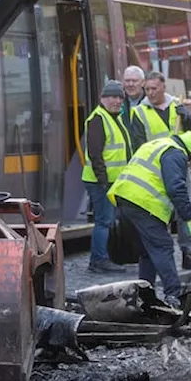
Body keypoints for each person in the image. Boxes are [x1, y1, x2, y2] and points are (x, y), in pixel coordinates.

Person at [108, 131, 191, 308]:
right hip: (144, 203)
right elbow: (176, 187)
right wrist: (189, 218)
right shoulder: (176, 153)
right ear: (190, 153)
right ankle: (173, 295)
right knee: (163, 247)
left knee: (147, 251)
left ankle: (145, 294)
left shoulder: (157, 144)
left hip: (124, 198)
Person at [132, 72, 191, 271]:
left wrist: (190, 119)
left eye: (154, 88)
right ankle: (160, 254)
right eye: (147, 89)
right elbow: (138, 143)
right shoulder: (139, 112)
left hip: (178, 166)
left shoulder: (177, 108)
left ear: (164, 87)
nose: (151, 93)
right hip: (154, 171)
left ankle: (188, 252)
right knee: (158, 212)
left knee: (184, 208)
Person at [81, 80, 130, 273]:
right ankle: (99, 260)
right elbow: (95, 155)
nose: (117, 101)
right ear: (103, 98)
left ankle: (103, 257)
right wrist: (104, 183)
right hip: (101, 181)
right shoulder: (98, 119)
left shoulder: (113, 117)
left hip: (111, 181)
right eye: (112, 97)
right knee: (103, 220)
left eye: (120, 97)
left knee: (106, 220)